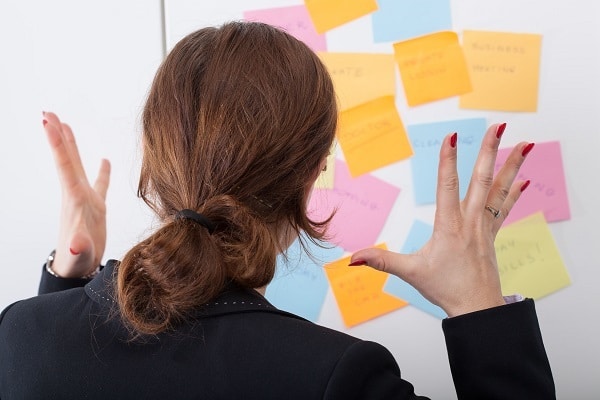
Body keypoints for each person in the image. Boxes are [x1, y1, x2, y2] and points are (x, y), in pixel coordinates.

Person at [0, 21, 554, 399]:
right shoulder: (337, 378)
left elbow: (69, 362)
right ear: (313, 171)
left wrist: (64, 289)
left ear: (155, 160)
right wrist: (478, 306)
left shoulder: (19, 335)